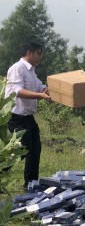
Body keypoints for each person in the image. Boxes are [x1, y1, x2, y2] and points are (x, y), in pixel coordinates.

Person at [5, 41, 51, 190]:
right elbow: (17, 91)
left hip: (28, 118)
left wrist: (52, 90)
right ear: (29, 52)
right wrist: (40, 95)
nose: (40, 57)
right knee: (19, 153)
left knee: (35, 150)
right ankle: (1, 173)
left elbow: (40, 87)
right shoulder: (17, 68)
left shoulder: (31, 71)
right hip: (16, 117)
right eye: (39, 53)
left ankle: (30, 184)